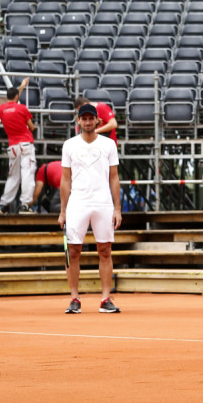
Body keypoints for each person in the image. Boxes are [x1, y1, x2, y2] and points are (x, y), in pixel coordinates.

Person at [59, 103, 122, 314]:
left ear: (97, 121)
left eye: (90, 118)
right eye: (83, 118)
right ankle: (74, 298)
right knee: (73, 251)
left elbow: (114, 177)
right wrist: (63, 211)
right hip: (77, 203)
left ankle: (105, 298)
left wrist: (117, 208)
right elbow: (65, 180)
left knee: (105, 250)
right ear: (78, 121)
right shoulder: (69, 145)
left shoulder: (109, 145)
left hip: (103, 202)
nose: (87, 122)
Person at [0, 76, 36, 214]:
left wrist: (22, 85)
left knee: (13, 176)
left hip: (12, 147)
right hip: (25, 144)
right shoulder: (22, 108)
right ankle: (24, 205)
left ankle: (3, 205)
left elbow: (12, 100)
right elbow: (32, 127)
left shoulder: (1, 109)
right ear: (17, 96)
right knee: (27, 174)